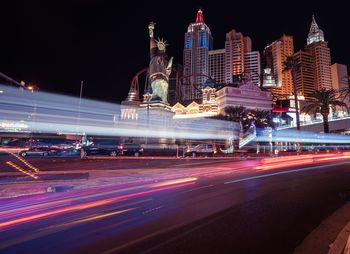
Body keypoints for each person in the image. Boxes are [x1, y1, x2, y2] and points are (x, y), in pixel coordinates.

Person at [148, 22, 173, 103]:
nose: (161, 46)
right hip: (156, 76)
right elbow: (151, 41)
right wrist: (151, 30)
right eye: (159, 45)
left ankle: (163, 102)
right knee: (157, 89)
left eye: (162, 45)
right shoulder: (154, 54)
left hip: (164, 78)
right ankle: (156, 99)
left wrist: (170, 64)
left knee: (164, 92)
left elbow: (168, 70)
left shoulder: (165, 58)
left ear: (164, 48)